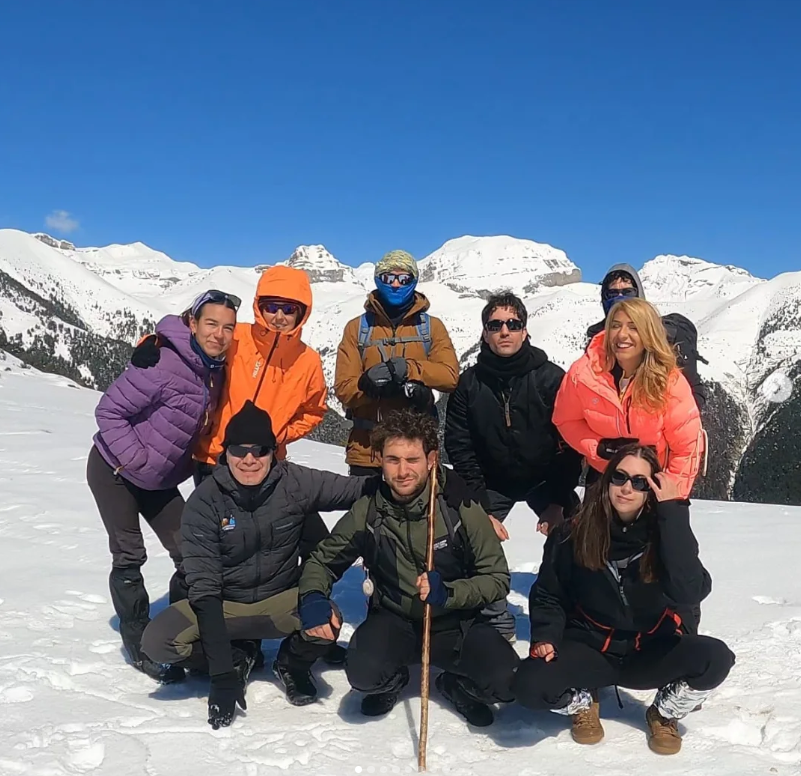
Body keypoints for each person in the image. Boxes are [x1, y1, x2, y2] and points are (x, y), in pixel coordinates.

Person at [140, 400, 379, 728]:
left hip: (279, 601)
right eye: (239, 450)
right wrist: (222, 674)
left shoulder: (294, 483)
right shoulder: (205, 502)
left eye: (260, 450)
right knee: (156, 642)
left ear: (273, 453)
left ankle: (291, 664)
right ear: (225, 454)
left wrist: (407, 478)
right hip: (224, 605)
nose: (249, 460)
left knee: (328, 620)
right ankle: (237, 656)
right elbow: (205, 591)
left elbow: (356, 489)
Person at [298, 409, 519, 727]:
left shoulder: (459, 507)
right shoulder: (369, 511)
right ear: (380, 460)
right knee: (362, 674)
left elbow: (496, 578)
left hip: (456, 622)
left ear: (431, 459)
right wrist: (313, 597)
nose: (402, 471)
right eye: (393, 460)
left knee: (508, 681)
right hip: (394, 619)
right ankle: (393, 681)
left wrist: (450, 593)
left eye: (412, 460)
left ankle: (455, 685)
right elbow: (322, 561)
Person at [512, 444, 735, 754]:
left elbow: (690, 590)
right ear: (607, 480)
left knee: (716, 659)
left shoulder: (665, 536)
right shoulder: (573, 534)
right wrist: (546, 636)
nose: (627, 488)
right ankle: (582, 702)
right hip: (590, 647)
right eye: (619, 477)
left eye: (640, 482)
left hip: (649, 649)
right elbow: (549, 593)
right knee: (528, 684)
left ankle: (664, 713)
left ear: (651, 490)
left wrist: (673, 511)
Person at [87, 290, 239, 682]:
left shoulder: (214, 369)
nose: (219, 334)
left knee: (191, 554)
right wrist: (135, 459)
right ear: (192, 323)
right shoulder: (162, 363)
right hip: (114, 471)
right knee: (129, 555)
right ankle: (141, 645)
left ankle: (176, 633)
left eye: (228, 328)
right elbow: (109, 411)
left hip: (160, 481)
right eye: (211, 324)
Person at [445, 291, 582, 641]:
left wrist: (557, 501)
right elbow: (459, 446)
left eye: (512, 323)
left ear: (525, 330)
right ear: (484, 333)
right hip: (491, 481)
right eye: (495, 325)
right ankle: (491, 618)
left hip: (546, 479)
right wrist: (480, 506)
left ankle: (570, 615)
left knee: (580, 535)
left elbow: (570, 444)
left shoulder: (551, 379)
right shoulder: (469, 384)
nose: (504, 331)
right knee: (464, 534)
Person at [133, 265, 327, 485]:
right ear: (260, 307)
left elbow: (313, 411)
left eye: (289, 309)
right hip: (214, 456)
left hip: (264, 461)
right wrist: (152, 342)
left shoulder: (308, 361)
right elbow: (184, 336)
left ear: (301, 313)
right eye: (272, 307)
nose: (279, 317)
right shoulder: (236, 336)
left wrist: (280, 434)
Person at [553, 298, 703, 499]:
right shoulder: (583, 375)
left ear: (648, 333)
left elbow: (687, 448)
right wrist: (599, 447)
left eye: (633, 327)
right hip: (604, 478)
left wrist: (673, 495)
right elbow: (565, 420)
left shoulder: (669, 382)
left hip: (653, 483)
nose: (622, 334)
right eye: (615, 326)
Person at [334, 249, 459, 476]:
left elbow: (450, 377)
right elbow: (343, 389)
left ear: (414, 280)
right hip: (367, 452)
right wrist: (369, 386)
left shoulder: (432, 328)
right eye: (388, 277)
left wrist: (409, 369)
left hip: (416, 450)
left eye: (403, 279)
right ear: (377, 279)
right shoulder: (357, 328)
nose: (395, 284)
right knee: (366, 501)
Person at [587, 263, 707, 412]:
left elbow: (691, 391)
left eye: (627, 292)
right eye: (612, 294)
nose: (620, 298)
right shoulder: (596, 344)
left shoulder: (666, 337)